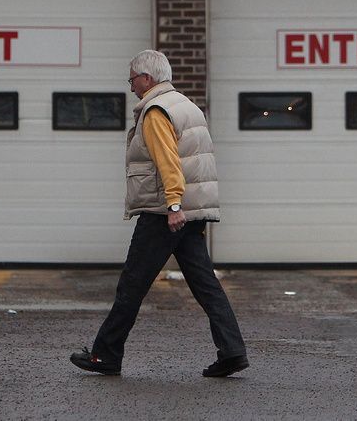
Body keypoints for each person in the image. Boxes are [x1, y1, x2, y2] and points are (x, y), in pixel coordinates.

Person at [70, 49, 249, 378]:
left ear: (147, 78)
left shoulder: (156, 111)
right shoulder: (186, 105)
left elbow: (169, 163)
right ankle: (233, 351)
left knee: (132, 284)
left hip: (164, 212)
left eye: (132, 80)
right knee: (205, 284)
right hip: (188, 212)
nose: (131, 87)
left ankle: (104, 355)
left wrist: (174, 205)